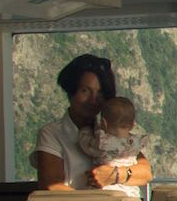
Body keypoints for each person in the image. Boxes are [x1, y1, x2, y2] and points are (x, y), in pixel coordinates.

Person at [34, 53, 154, 193]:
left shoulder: (113, 130)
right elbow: (51, 187)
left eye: (100, 93)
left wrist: (114, 175)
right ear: (71, 92)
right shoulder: (52, 134)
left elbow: (146, 173)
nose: (93, 100)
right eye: (85, 91)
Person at [75, 96, 151, 199]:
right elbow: (147, 174)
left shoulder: (103, 143)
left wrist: (86, 131)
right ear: (132, 125)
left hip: (105, 193)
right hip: (130, 194)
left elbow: (86, 145)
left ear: (104, 123)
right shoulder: (136, 143)